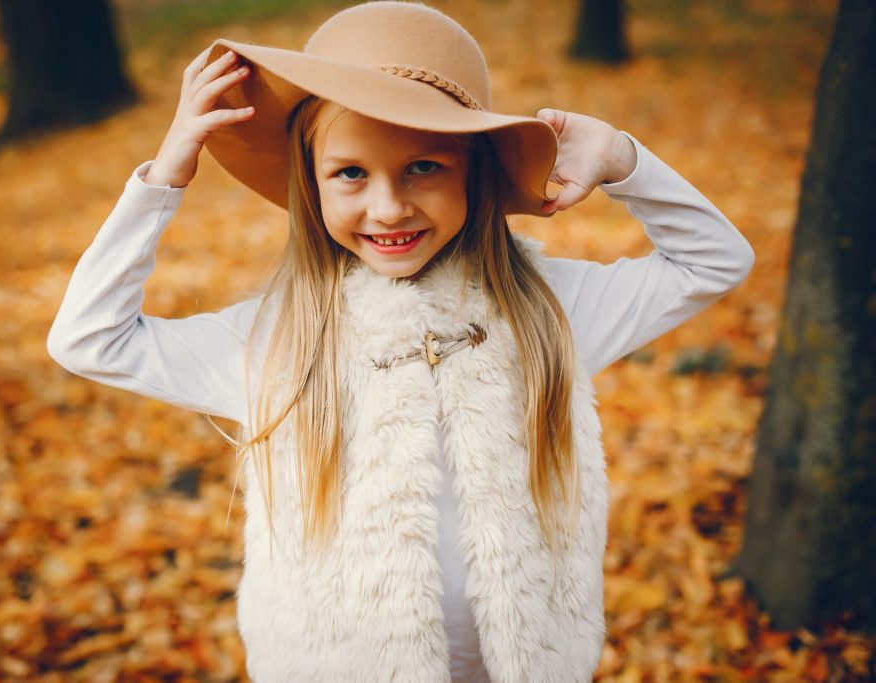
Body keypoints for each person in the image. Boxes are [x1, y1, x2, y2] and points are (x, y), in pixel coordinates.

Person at [47, 2, 755, 681]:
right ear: (310, 182)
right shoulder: (275, 340)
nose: (388, 207)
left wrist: (624, 157)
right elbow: (90, 338)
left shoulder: (546, 309)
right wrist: (163, 176)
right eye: (350, 173)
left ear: (475, 174)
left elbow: (714, 261)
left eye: (424, 166)